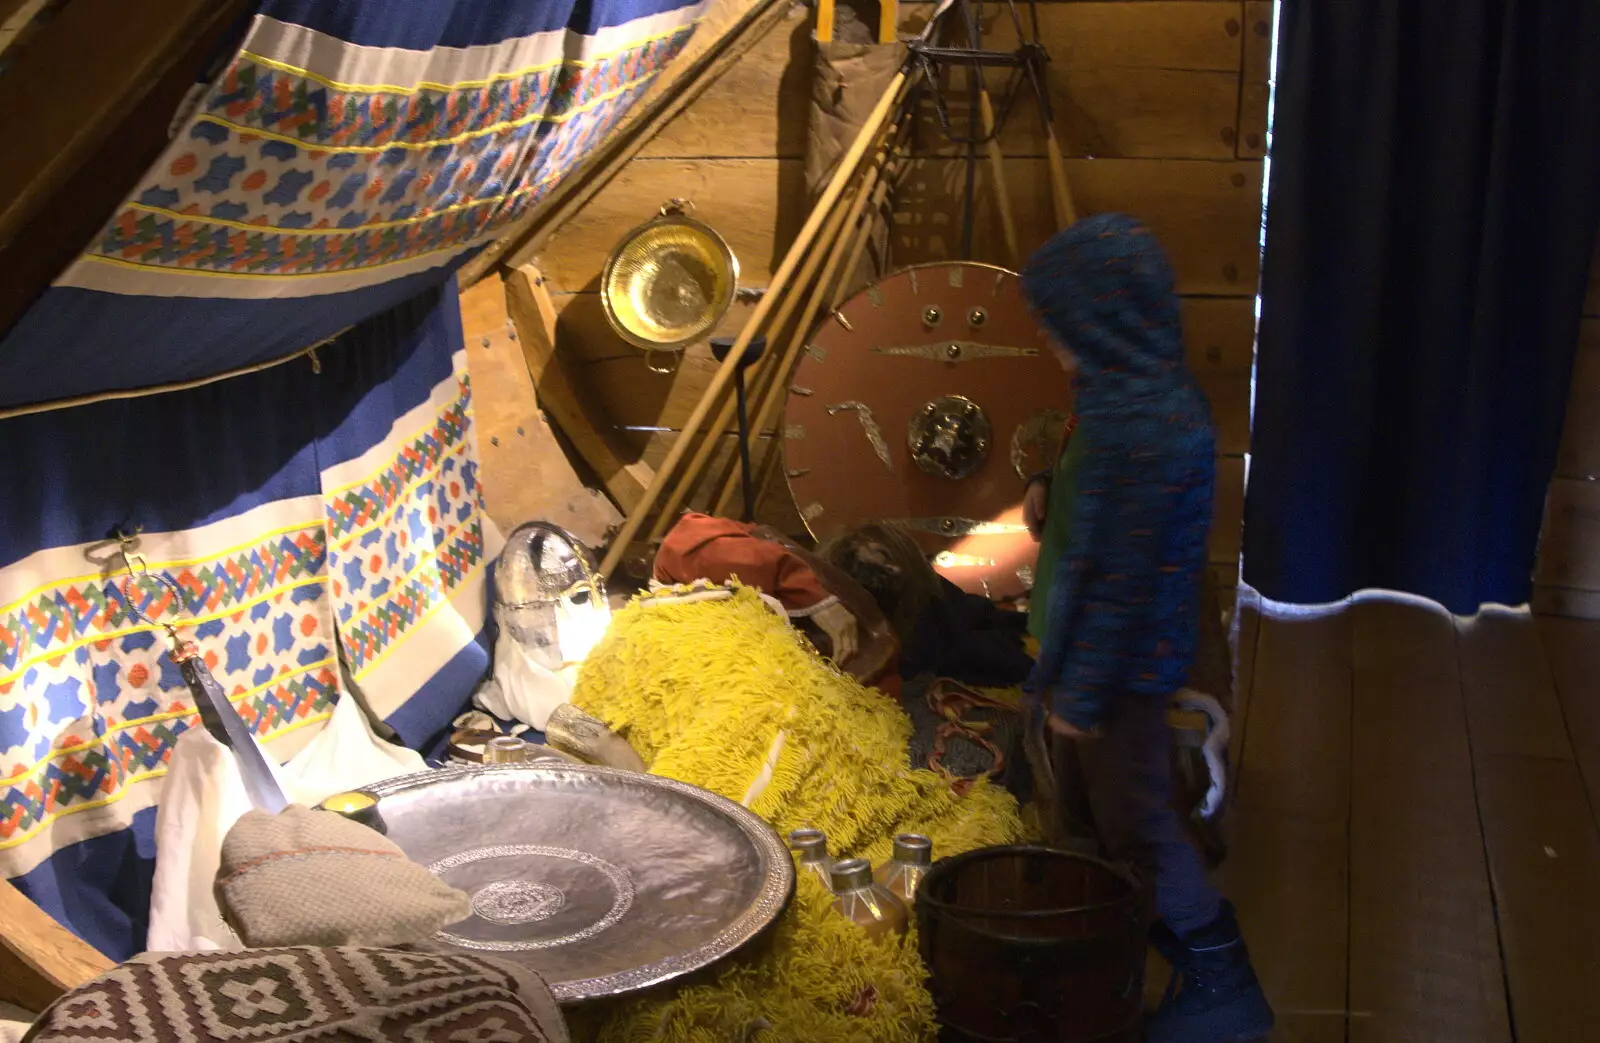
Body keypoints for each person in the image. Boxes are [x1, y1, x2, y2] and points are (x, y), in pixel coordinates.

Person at [1019, 213, 1273, 1043]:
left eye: (1062, 332)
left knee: (1142, 822)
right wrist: (1051, 492)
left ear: (1107, 323)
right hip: (1095, 667)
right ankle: (1117, 946)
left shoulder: (1143, 431)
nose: (1055, 349)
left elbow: (1124, 586)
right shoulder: (1122, 400)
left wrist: (1081, 696)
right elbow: (1096, 524)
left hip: (1120, 675)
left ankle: (1217, 971)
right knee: (1100, 815)